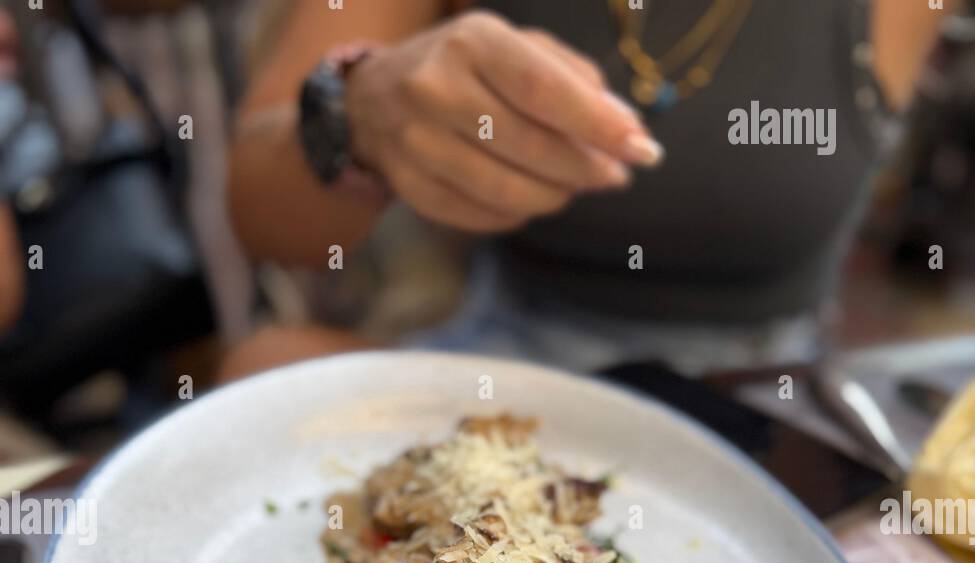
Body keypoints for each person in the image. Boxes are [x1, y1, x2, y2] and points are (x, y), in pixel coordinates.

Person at [223, 0, 955, 380]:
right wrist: (357, 116)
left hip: (770, 390)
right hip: (510, 358)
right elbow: (260, 214)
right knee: (263, 363)